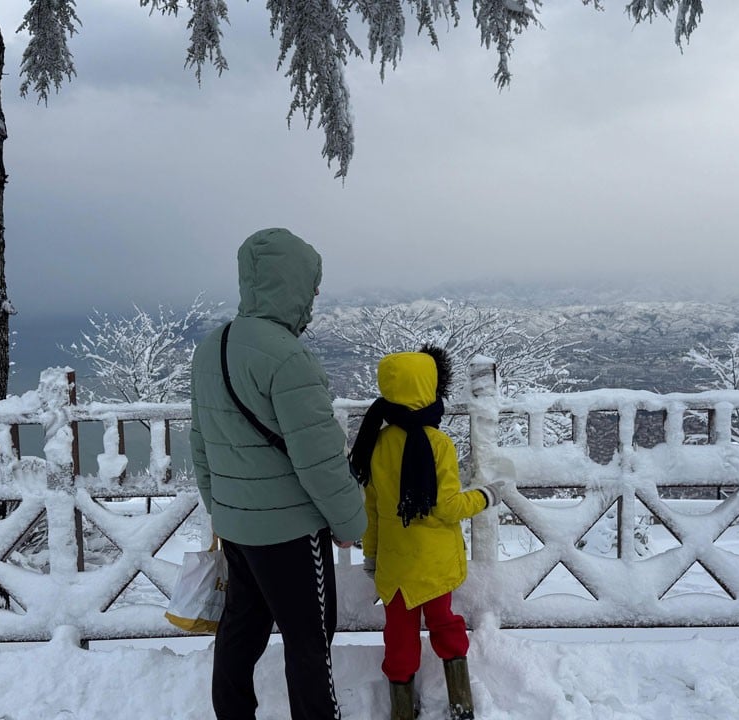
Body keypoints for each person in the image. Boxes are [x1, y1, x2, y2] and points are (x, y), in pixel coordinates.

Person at [189, 228, 367, 720]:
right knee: (311, 637)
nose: (312, 299)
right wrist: (350, 524)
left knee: (241, 629)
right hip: (289, 533)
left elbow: (200, 443)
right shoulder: (289, 358)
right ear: (291, 284)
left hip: (238, 529)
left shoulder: (213, 346)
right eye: (310, 287)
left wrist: (222, 511)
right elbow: (320, 458)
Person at [348, 346, 507, 720]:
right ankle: (461, 704)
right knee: (446, 628)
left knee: (399, 640)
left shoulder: (377, 443)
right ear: (430, 389)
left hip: (395, 567)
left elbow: (371, 507)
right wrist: (487, 495)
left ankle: (401, 711)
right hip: (434, 567)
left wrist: (371, 555)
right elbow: (448, 507)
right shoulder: (438, 443)